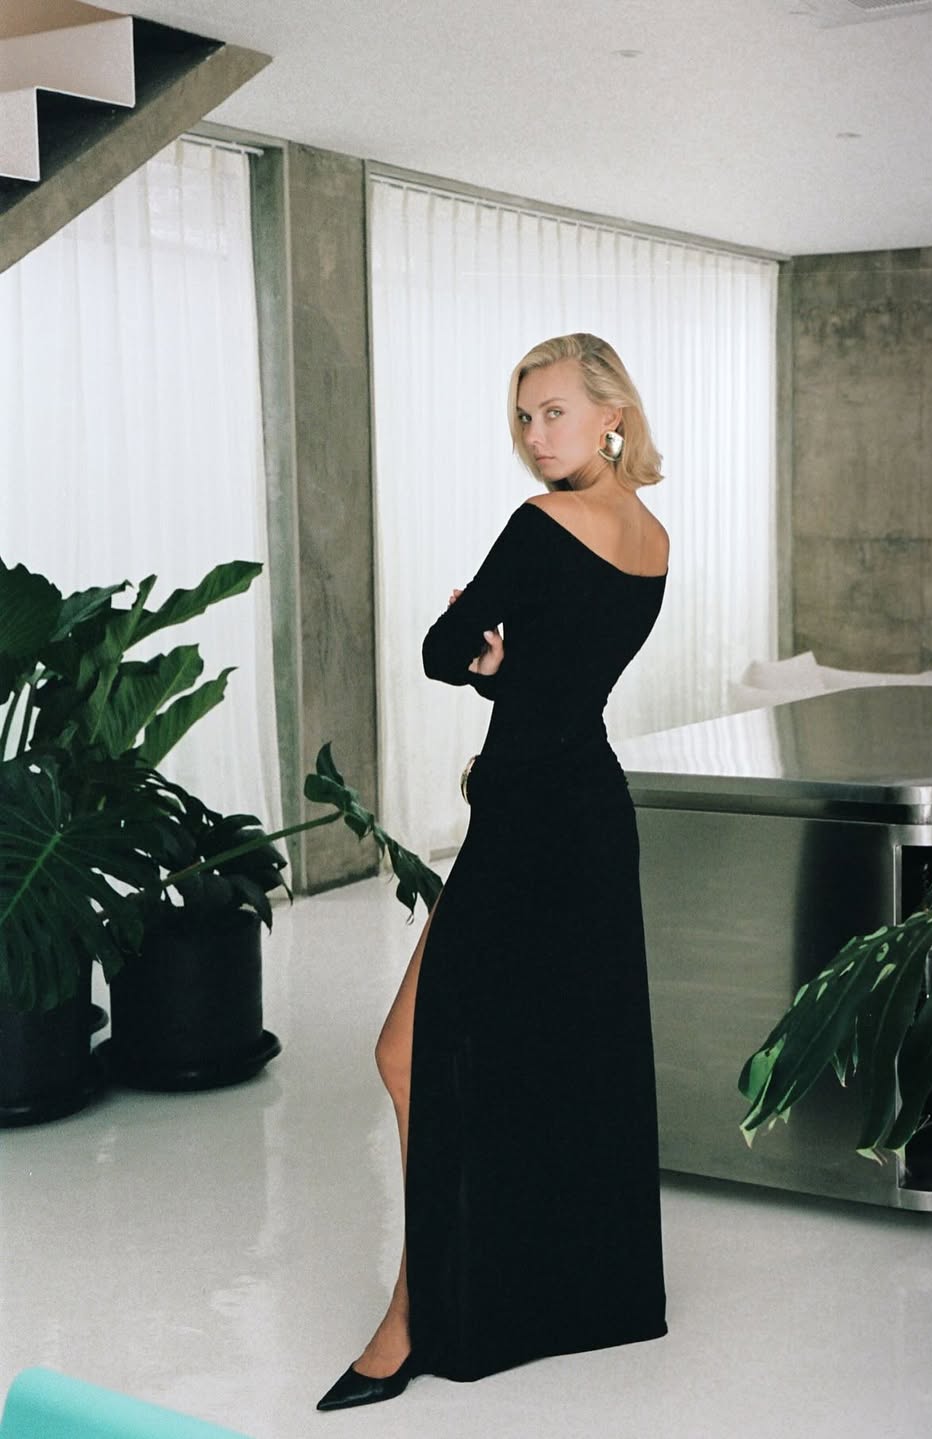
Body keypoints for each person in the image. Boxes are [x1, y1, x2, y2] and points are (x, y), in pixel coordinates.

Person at [317, 332, 670, 1412]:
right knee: (558, 1061)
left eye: (555, 412)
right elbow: (560, 681)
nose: (535, 436)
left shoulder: (540, 524)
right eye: (524, 416)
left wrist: (481, 649)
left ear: (612, 413)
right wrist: (506, 665)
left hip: (530, 820)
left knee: (410, 1052)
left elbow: (441, 647)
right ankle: (540, 1293)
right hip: (585, 808)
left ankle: (414, 1315)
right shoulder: (651, 536)